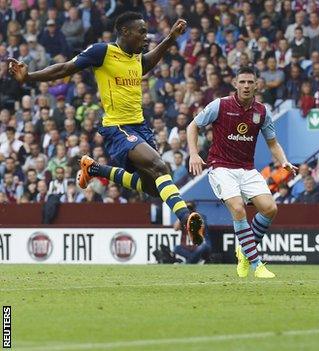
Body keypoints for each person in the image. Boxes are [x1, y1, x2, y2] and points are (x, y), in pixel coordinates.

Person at [7, 12, 205, 243]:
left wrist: (171, 38)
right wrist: (29, 76)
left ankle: (95, 169)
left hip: (140, 127)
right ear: (124, 32)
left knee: (153, 188)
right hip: (117, 127)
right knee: (159, 166)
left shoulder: (135, 57)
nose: (146, 37)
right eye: (141, 32)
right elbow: (65, 68)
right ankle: (185, 218)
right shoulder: (103, 52)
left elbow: (146, 64)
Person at [187, 66, 297, 279]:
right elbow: (192, 126)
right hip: (221, 167)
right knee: (238, 208)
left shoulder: (262, 112)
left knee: (270, 208)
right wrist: (193, 153)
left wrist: (283, 161)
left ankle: (244, 249)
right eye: (242, 82)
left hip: (247, 169)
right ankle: (256, 263)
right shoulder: (219, 105)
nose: (246, 86)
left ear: (257, 85)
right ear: (235, 84)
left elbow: (273, 143)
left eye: (250, 82)